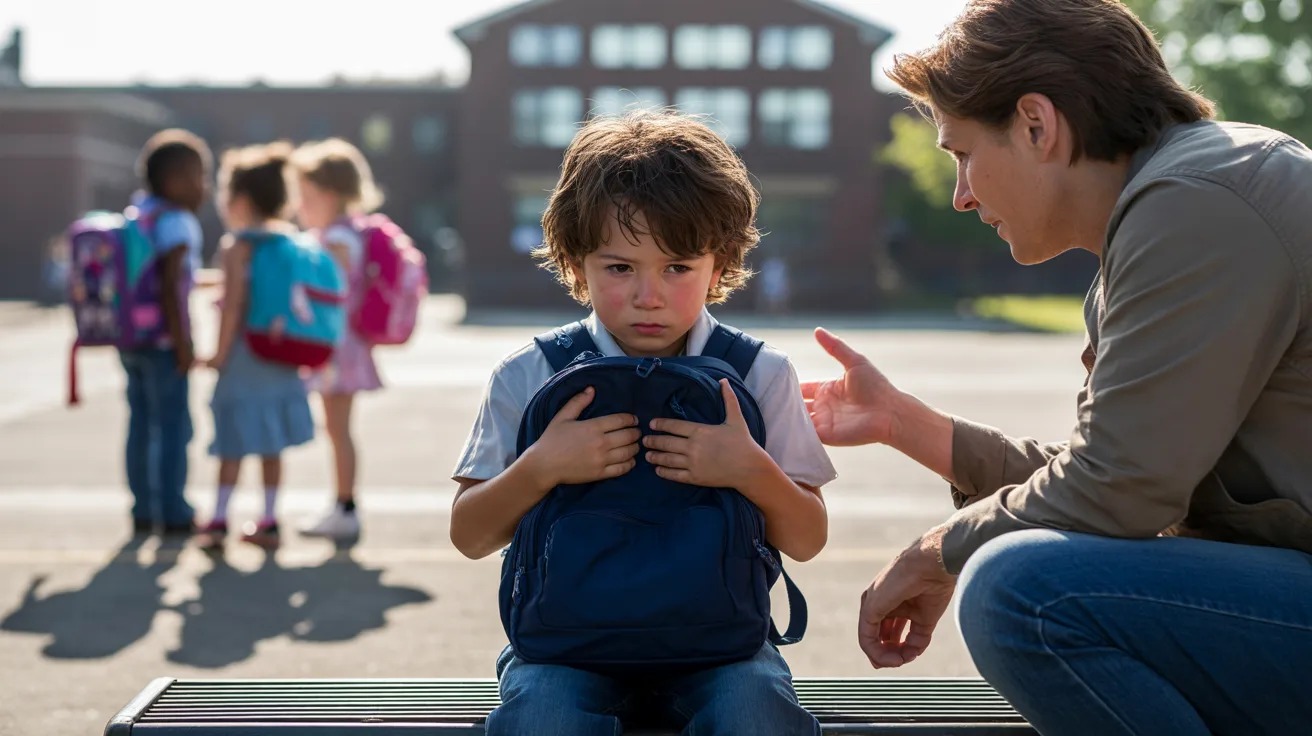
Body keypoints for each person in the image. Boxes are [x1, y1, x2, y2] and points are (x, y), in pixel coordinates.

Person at [801, 1, 1312, 734]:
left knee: (1023, 591)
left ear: (1037, 125)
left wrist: (938, 550)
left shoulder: (1197, 205)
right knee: (1037, 573)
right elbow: (1114, 478)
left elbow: (1120, 491)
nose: (962, 194)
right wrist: (902, 423)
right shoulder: (1172, 206)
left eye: (962, 153)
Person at [450, 111, 835, 736]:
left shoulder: (760, 372)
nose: (648, 295)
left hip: (721, 647)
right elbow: (470, 534)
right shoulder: (529, 373)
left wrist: (748, 470)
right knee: (541, 717)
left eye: (677, 267)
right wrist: (541, 466)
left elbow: (809, 538)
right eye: (620, 267)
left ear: (721, 262)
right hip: (564, 649)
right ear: (577, 262)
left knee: (755, 713)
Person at [196, 142, 316, 550]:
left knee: (232, 442)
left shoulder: (236, 247)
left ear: (240, 199)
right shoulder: (290, 243)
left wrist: (217, 355)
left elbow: (232, 308)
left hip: (244, 358)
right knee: (271, 445)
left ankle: (216, 519)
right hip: (281, 357)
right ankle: (267, 520)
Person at [290, 139, 386, 541]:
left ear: (329, 195)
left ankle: (345, 508)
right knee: (338, 428)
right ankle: (342, 505)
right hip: (345, 345)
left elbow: (332, 292)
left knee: (338, 428)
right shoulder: (347, 233)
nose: (300, 207)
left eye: (306, 197)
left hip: (337, 347)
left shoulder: (337, 239)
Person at [122, 129, 212, 535]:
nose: (204, 186)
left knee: (140, 422)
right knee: (174, 425)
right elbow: (173, 285)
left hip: (130, 339)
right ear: (174, 179)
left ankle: (143, 509)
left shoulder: (139, 213)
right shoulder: (178, 221)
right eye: (198, 175)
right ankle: (173, 511)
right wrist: (184, 342)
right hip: (163, 341)